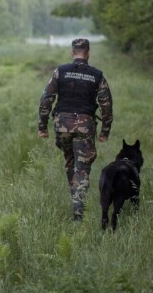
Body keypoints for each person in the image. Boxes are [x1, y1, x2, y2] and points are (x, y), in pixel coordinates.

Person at [37, 38, 113, 221]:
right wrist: (105, 131)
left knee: (70, 161)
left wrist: (42, 126)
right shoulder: (97, 75)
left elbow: (46, 99)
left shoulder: (60, 72)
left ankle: (75, 199)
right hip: (85, 127)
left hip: (62, 126)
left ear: (72, 52)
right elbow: (106, 105)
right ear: (88, 53)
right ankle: (78, 213)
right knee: (82, 168)